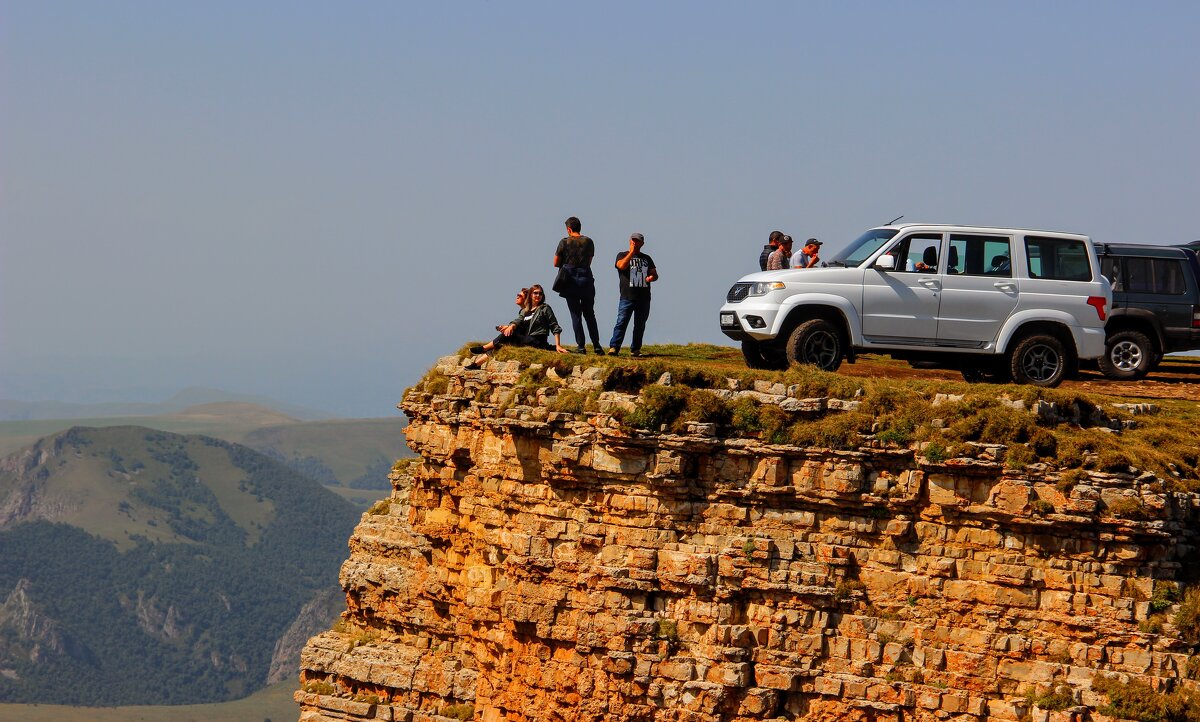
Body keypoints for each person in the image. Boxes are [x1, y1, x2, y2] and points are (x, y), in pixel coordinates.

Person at [468, 284, 567, 366]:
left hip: (538, 340)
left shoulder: (544, 308)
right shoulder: (526, 310)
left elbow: (554, 326)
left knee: (508, 336)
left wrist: (558, 345)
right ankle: (476, 365)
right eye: (535, 293)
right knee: (502, 344)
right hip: (528, 340)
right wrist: (510, 326)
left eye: (540, 293)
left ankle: (484, 348)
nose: (538, 295)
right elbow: (518, 320)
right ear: (531, 295)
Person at [553, 216, 603, 354]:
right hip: (586, 279)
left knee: (575, 314)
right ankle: (597, 345)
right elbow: (589, 261)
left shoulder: (564, 242)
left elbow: (556, 263)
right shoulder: (589, 241)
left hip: (570, 281)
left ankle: (581, 346)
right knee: (589, 313)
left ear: (569, 229)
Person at [606, 232, 658, 357]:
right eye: (633, 240)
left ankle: (635, 349)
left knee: (639, 325)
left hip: (644, 298)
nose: (635, 242)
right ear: (629, 241)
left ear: (642, 243)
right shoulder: (622, 255)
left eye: (637, 241)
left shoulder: (647, 258)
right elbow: (621, 266)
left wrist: (652, 277)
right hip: (627, 297)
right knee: (621, 322)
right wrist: (631, 252)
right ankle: (614, 347)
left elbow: (655, 274)